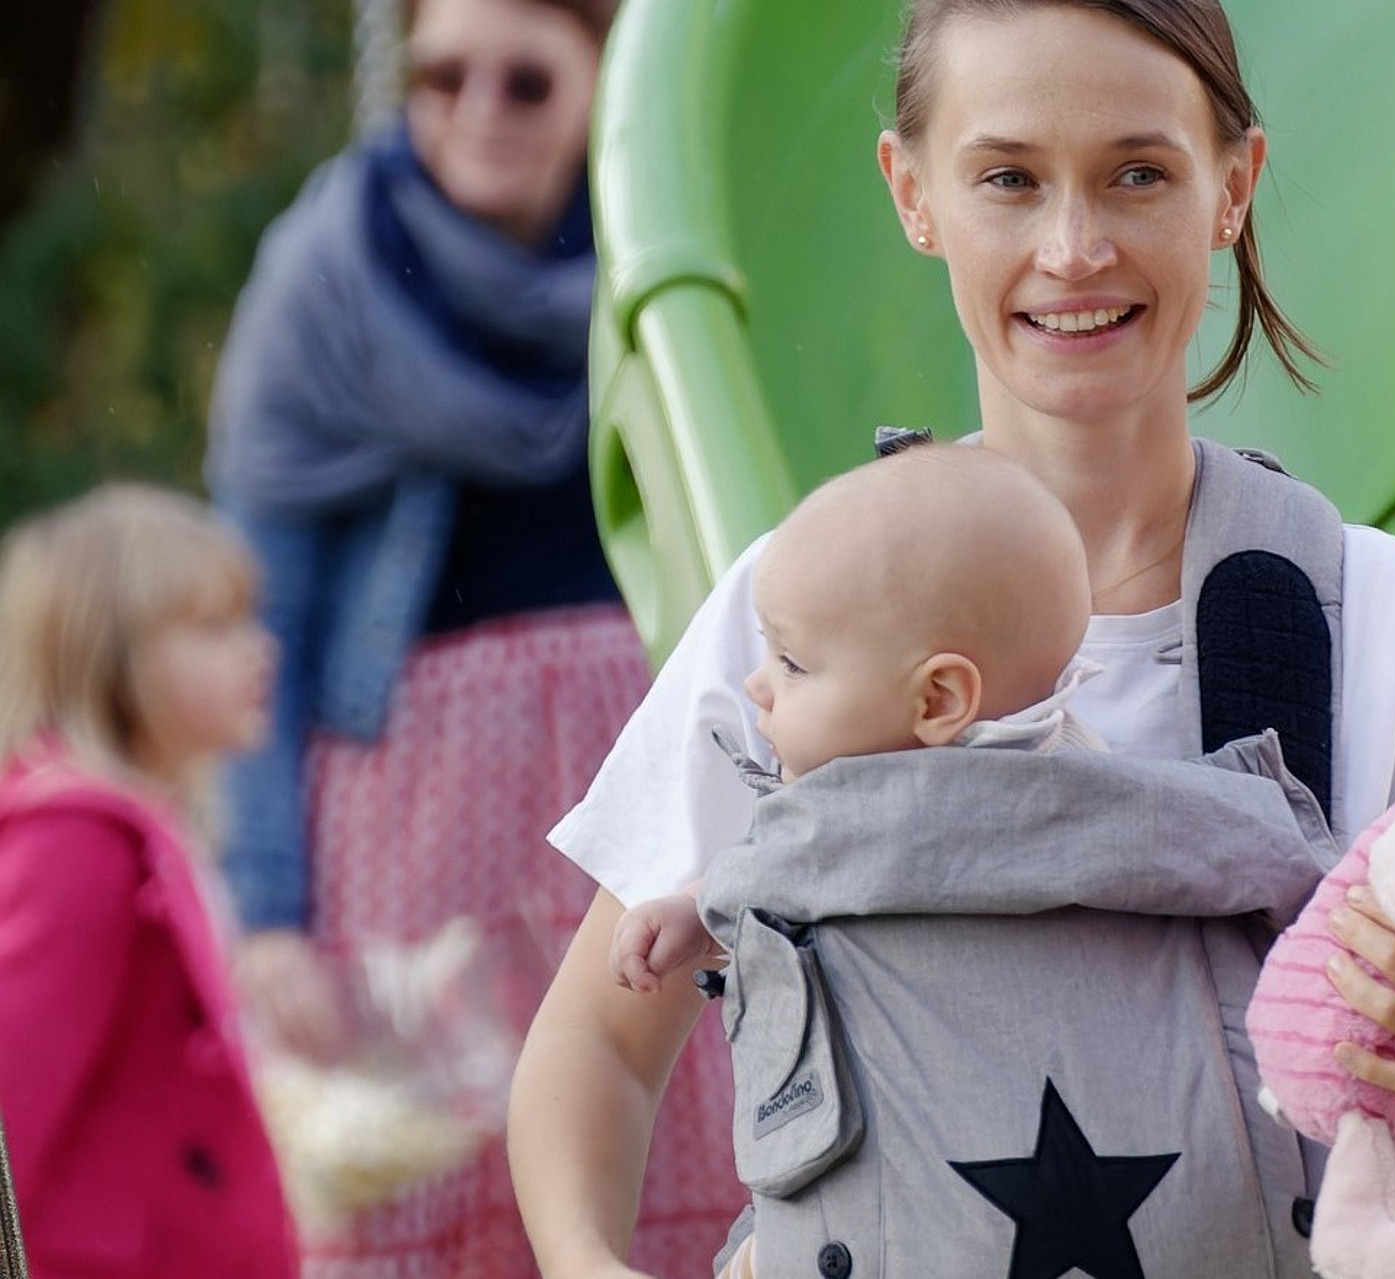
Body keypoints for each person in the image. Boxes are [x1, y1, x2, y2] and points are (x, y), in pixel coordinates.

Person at [510, 1, 1395, 1275]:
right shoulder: (803, 610)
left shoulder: (1373, 610)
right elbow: (599, 1045)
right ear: (914, 194)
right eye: (1008, 179)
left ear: (1233, 187)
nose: (1074, 248)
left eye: (1138, 174)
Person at [203, 0, 745, 1274]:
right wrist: (267, 912)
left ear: (602, 79)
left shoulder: (672, 253)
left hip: (650, 789)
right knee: (417, 1190)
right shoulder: (329, 276)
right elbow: (261, 627)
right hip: (410, 825)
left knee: (666, 1165)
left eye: (525, 82)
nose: (478, 113)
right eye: (443, 78)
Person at [610, 444, 1099, 996]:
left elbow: (788, 859)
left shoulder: (858, 810)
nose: (756, 686)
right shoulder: (1096, 786)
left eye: (792, 665)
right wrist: (696, 908)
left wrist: (702, 907)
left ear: (937, 701)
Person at [0, 484, 296, 1279]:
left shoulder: (155, 827)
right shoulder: (76, 844)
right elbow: (14, 1098)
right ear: (108, 652)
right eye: (214, 626)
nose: (260, 649)